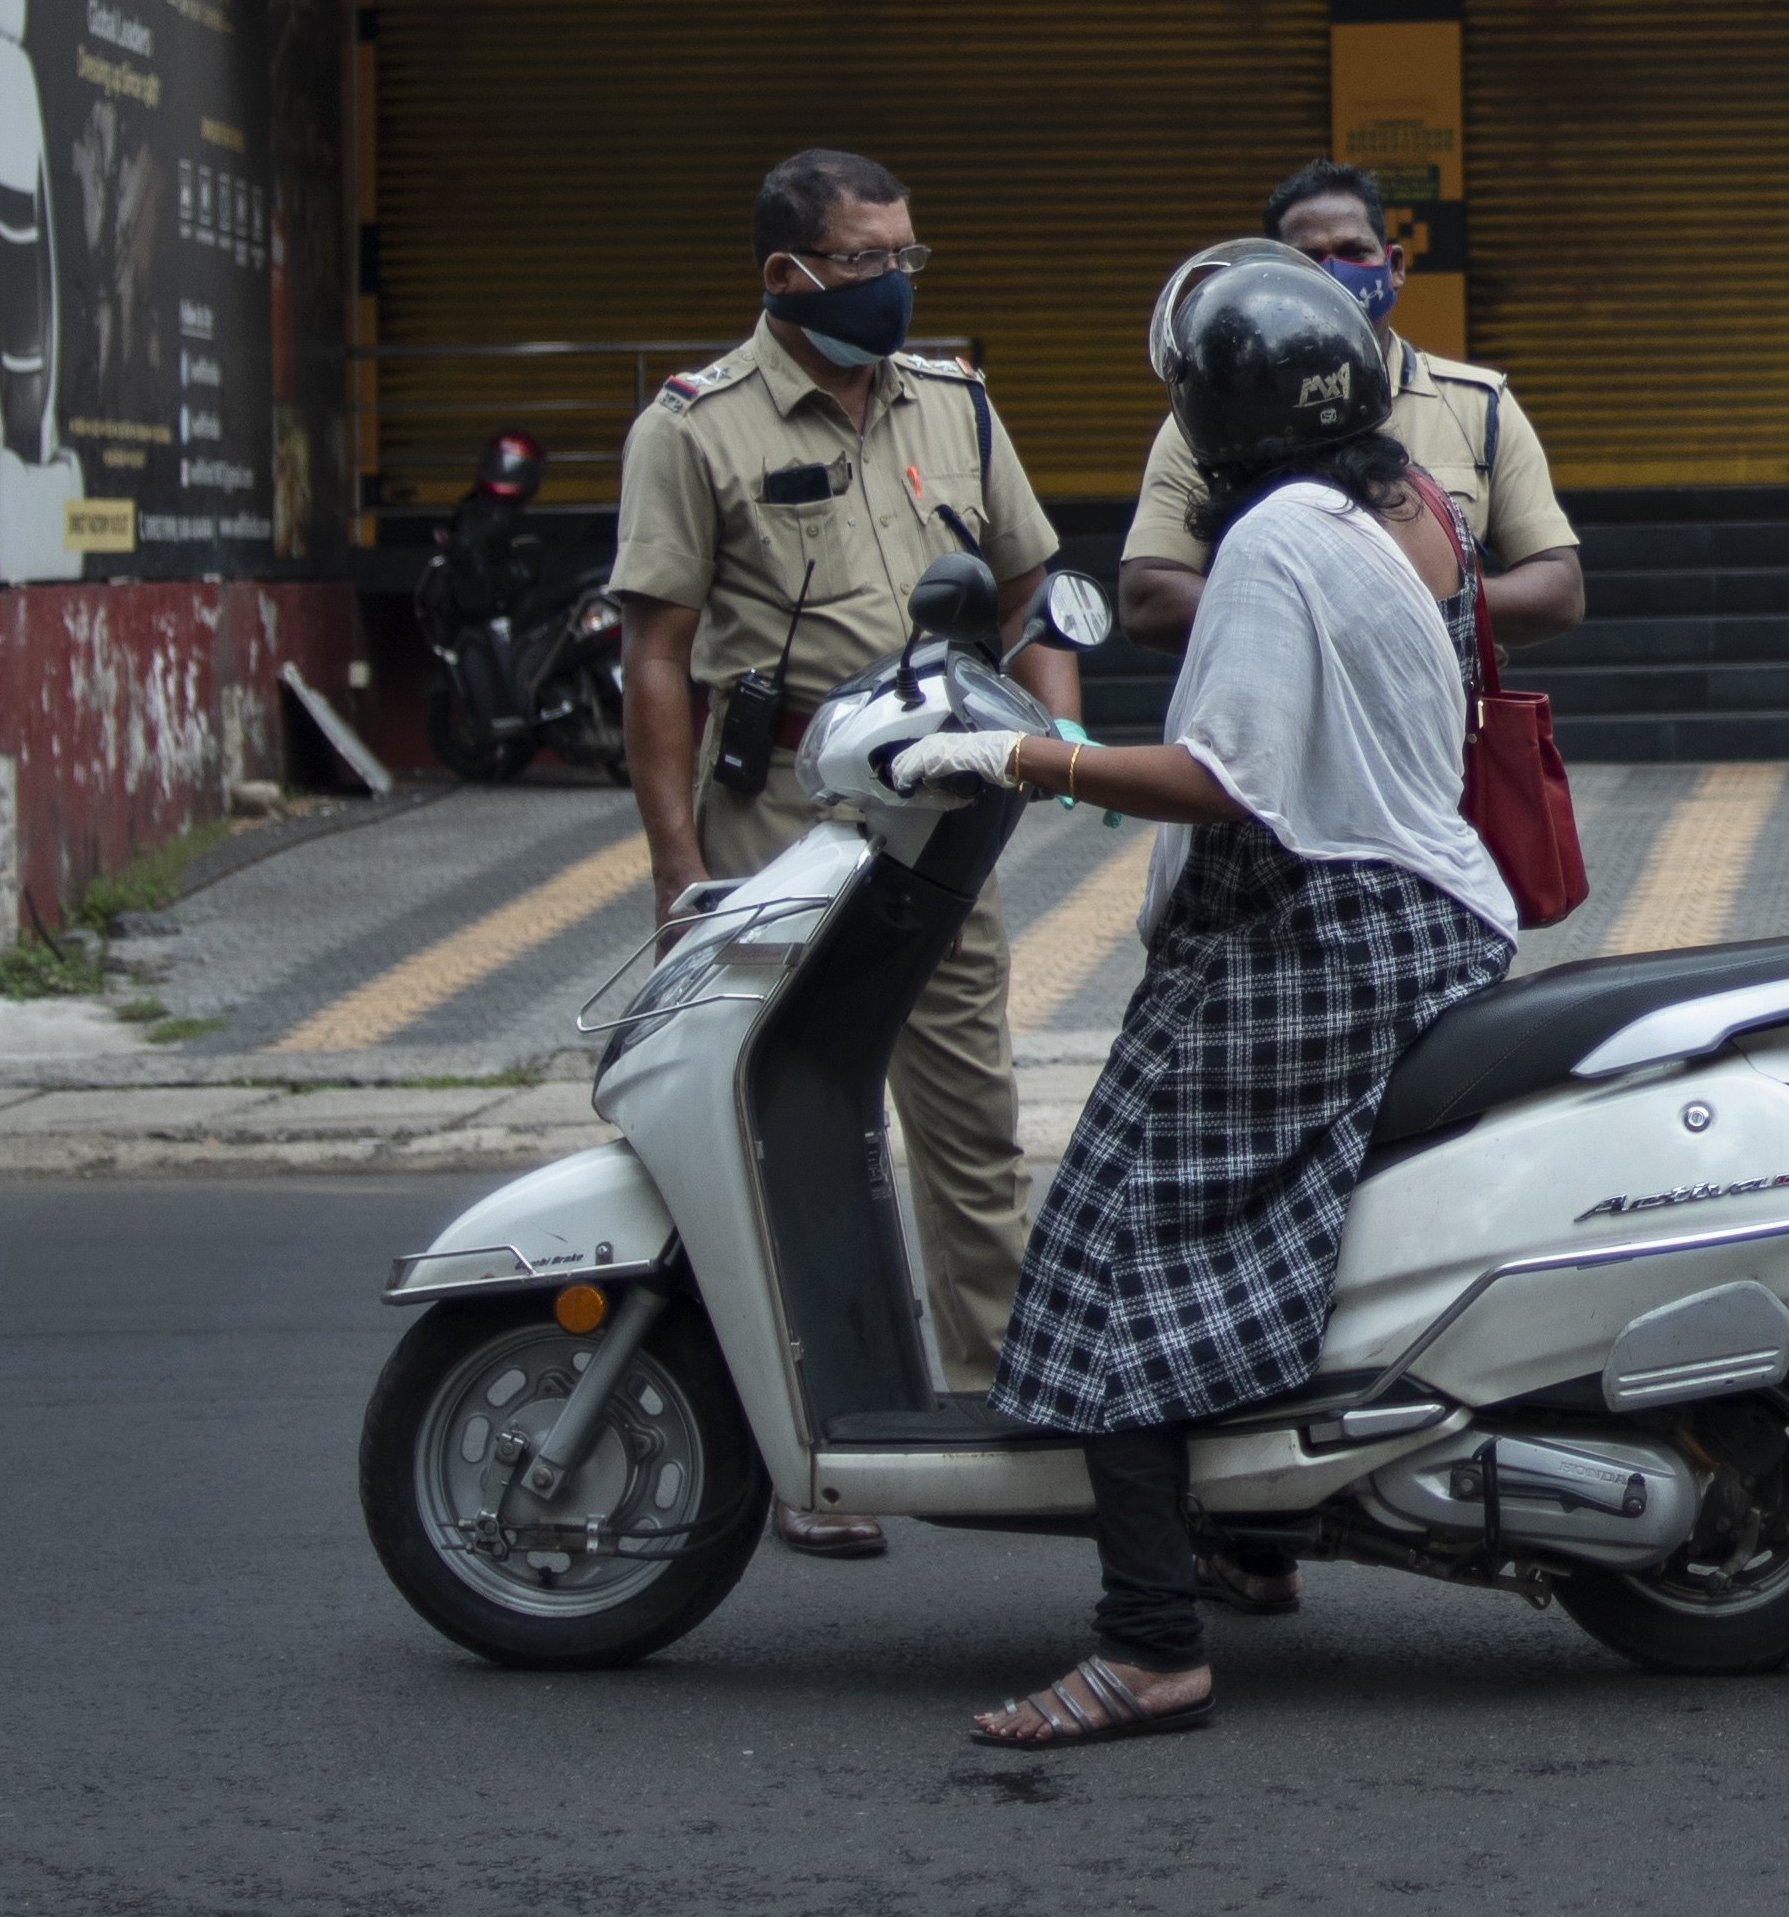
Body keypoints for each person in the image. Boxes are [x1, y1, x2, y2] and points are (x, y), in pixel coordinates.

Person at [885, 248, 1518, 1751]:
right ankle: (1250, 1540)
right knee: (1228, 1227)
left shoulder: (1273, 544)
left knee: (1109, 1246)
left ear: (1213, 419)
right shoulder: (1399, 510)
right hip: (1415, 908)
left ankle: (1147, 1642)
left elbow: (1220, 780)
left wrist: (1031, 757)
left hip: (1319, 922)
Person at [610, 146, 1083, 1548]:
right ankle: (787, 1439)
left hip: (941, 805)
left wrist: (1049, 735)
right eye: (872, 261)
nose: (897, 283)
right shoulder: (691, 427)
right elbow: (656, 657)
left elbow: (1030, 581)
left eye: (907, 258)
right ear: (789, 275)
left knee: (969, 1120)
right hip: (785, 812)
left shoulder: (957, 402)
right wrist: (673, 858)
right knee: (777, 1124)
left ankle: (1004, 1410)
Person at [1121, 161, 1580, 658]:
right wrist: (1313, 606)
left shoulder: (1478, 406)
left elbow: (1559, 590)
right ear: (1271, 280)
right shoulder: (1216, 419)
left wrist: (1388, 599)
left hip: (1450, 723)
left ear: (1394, 266)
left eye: (1353, 252)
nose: (1332, 274)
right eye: (1309, 259)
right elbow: (1147, 600)